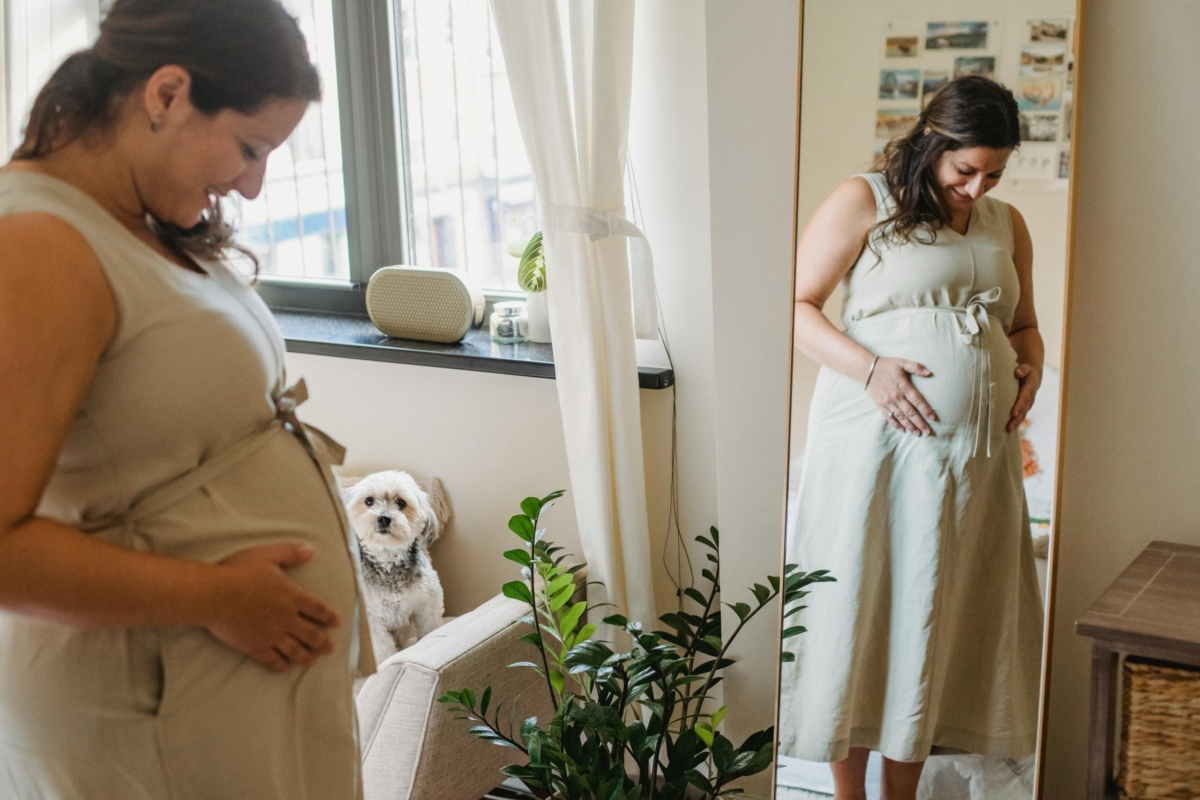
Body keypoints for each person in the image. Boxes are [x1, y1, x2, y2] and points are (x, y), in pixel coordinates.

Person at [0, 1, 374, 797]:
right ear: (167, 94)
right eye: (249, 147)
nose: (252, 183)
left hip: (215, 702)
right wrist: (219, 596)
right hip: (149, 709)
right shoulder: (37, 246)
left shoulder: (135, 219)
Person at [777, 76, 1045, 800]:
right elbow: (794, 307)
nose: (976, 185)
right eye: (965, 170)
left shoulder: (1006, 222)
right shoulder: (864, 200)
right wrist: (870, 370)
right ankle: (848, 795)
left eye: (993, 171)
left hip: (972, 464)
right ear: (932, 141)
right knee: (865, 606)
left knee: (934, 616)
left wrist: (1033, 368)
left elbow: (1023, 325)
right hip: (876, 447)